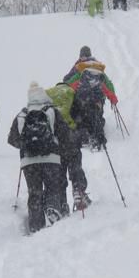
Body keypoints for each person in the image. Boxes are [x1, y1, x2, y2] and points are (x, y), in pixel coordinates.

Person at [7, 82, 70, 233]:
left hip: (29, 162)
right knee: (52, 188)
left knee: (34, 193)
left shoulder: (22, 114)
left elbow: (12, 139)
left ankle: (35, 226)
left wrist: (27, 145)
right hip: (51, 159)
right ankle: (52, 209)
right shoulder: (52, 111)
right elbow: (65, 135)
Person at [46, 82, 92, 212]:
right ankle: (78, 191)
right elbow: (81, 113)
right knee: (75, 166)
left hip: (55, 140)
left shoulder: (48, 94)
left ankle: (62, 204)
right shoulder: (71, 92)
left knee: (59, 173)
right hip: (71, 137)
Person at [64, 51, 118, 151]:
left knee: (79, 114)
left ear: (81, 55)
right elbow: (107, 84)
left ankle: (82, 134)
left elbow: (69, 83)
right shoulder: (98, 68)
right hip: (97, 99)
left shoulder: (80, 67)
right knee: (96, 115)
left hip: (82, 99)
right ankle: (97, 135)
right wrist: (113, 98)